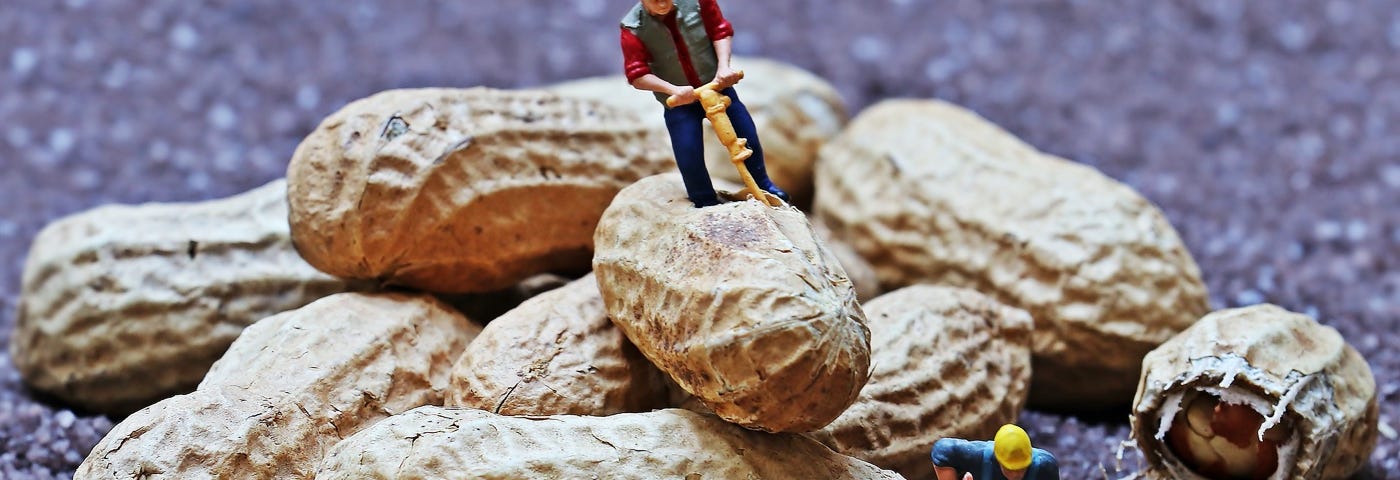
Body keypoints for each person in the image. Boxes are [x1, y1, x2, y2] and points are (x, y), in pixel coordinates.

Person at [619, 0, 789, 208]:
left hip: (717, 87)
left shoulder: (699, 2)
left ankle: (763, 185)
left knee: (746, 134)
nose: (662, 3)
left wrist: (724, 68)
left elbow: (720, 31)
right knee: (688, 151)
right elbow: (637, 74)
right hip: (680, 103)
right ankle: (704, 200)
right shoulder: (633, 28)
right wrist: (673, 90)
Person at [930, 424, 1060, 480]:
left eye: (1021, 469)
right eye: (1009, 469)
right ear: (997, 460)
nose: (1015, 475)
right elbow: (942, 449)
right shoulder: (980, 457)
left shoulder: (1045, 467)